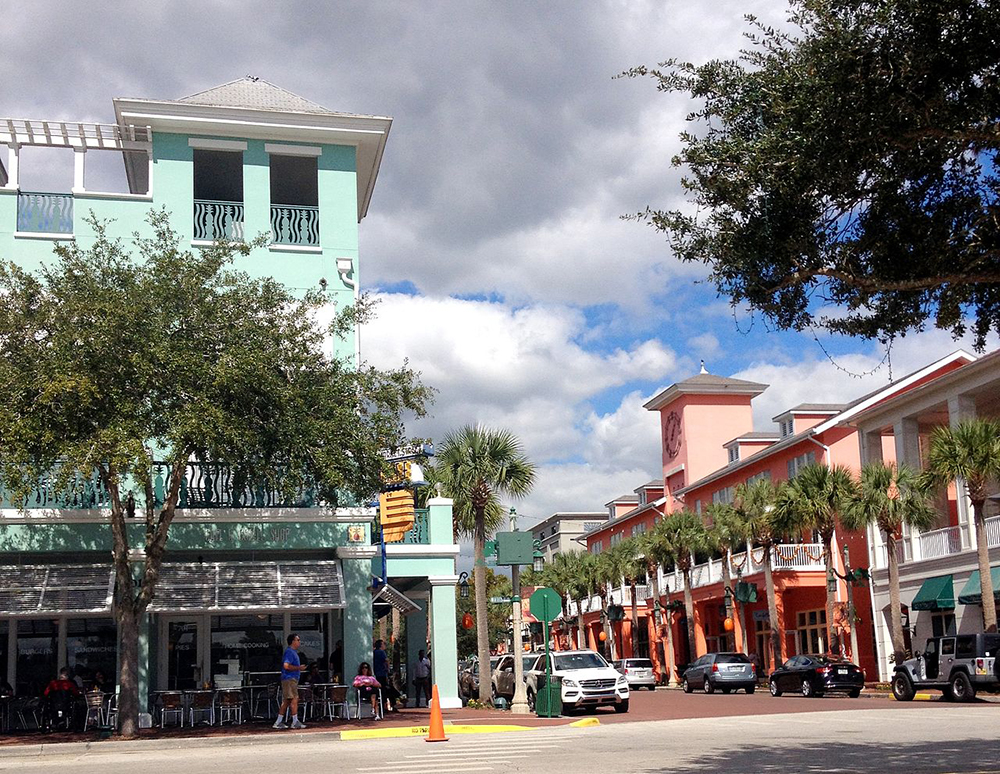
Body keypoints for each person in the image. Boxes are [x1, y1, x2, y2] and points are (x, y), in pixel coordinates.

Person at [273, 633, 308, 730]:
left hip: (291, 679)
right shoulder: (289, 652)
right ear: (293, 641)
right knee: (294, 698)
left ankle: (279, 721)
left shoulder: (293, 652)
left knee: (287, 700)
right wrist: (299, 668)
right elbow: (286, 666)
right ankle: (294, 721)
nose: (299, 642)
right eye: (298, 640)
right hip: (289, 679)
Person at [372, 639, 399, 713]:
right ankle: (386, 706)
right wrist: (388, 669)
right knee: (385, 689)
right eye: (383, 644)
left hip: (376, 674)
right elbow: (386, 660)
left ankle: (384, 706)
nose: (384, 646)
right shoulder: (381, 652)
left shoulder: (374, 652)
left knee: (382, 690)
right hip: (382, 674)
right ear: (381, 645)